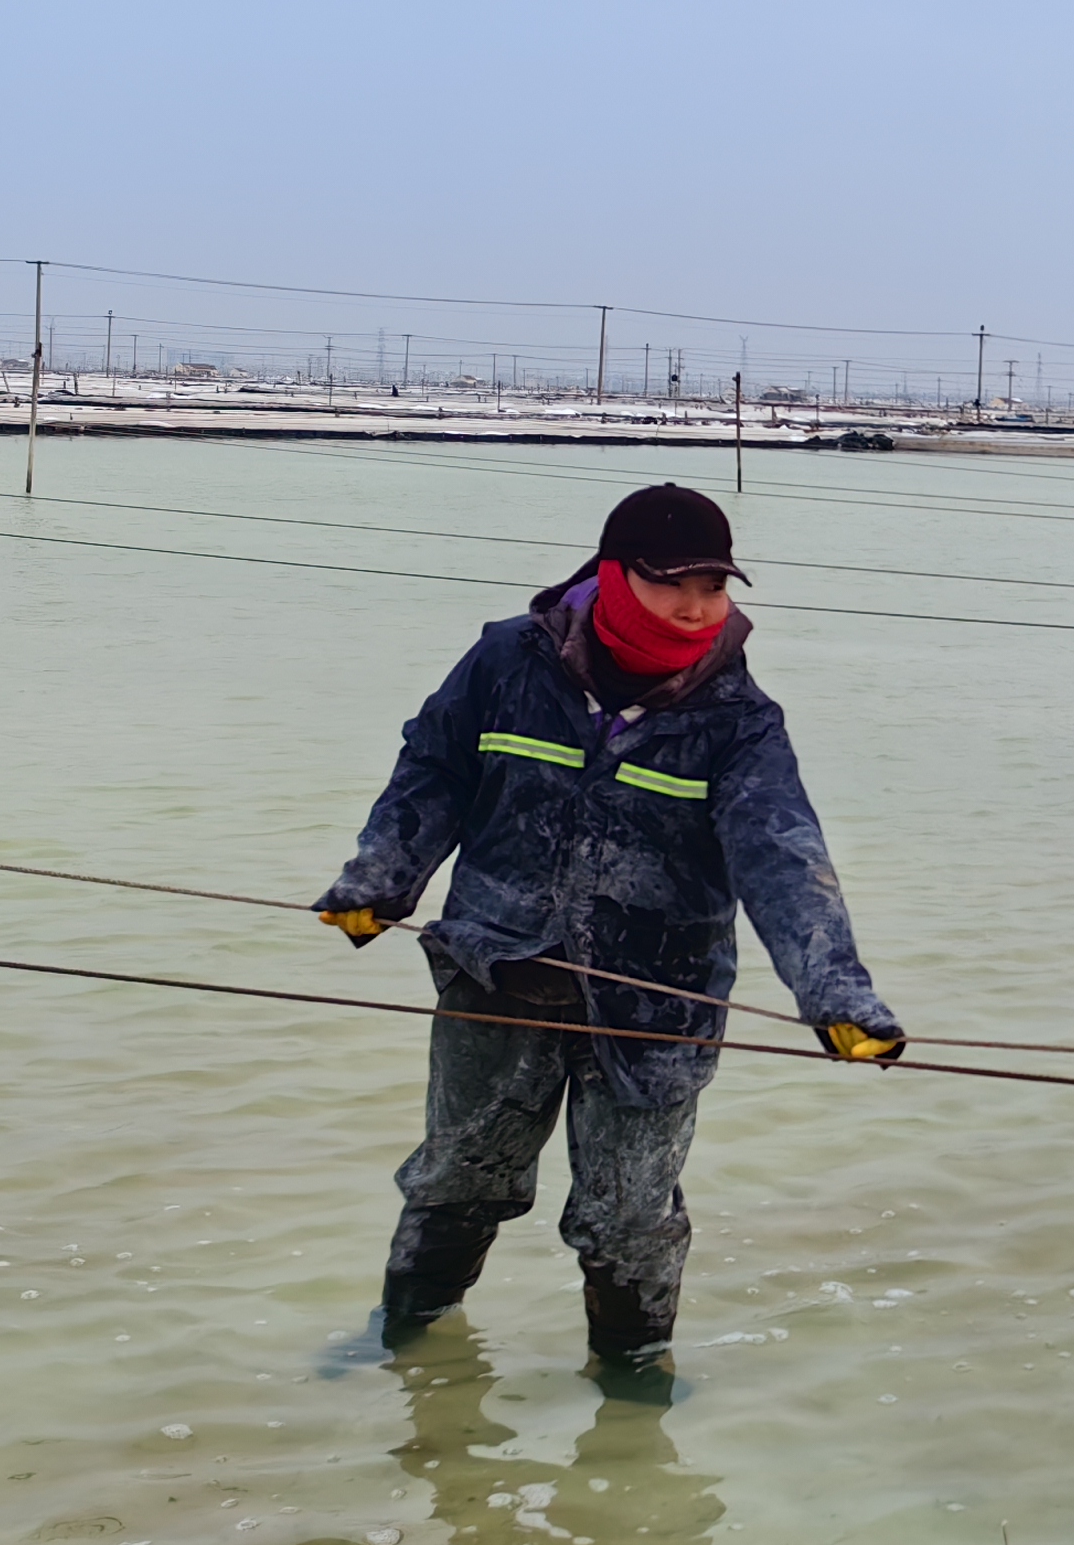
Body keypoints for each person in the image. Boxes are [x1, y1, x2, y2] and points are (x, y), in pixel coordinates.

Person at [314, 482, 903, 1365]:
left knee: (630, 1216)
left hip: (657, 1007)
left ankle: (633, 1384)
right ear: (617, 575)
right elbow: (433, 770)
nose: (696, 608)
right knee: (457, 1179)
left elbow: (782, 857)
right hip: (497, 976)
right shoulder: (508, 661)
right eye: (674, 585)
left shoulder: (738, 720)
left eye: (713, 587)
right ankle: (404, 1350)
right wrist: (380, 878)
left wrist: (836, 996)